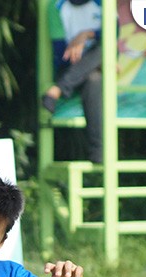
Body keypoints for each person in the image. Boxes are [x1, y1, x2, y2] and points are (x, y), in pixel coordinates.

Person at [41, 0, 104, 164]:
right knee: (94, 75)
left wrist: (85, 35)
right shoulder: (56, 7)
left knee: (102, 54)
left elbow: (113, 36)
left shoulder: (103, 4)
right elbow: (61, 53)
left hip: (100, 65)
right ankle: (98, 151)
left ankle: (58, 89)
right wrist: (87, 60)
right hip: (69, 66)